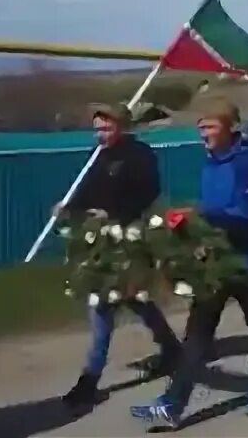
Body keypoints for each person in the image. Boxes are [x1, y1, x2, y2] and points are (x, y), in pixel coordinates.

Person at [131, 99, 248, 429]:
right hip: (214, 263)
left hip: (247, 261)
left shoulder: (247, 162)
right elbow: (210, 210)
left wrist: (199, 214)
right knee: (198, 333)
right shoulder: (211, 162)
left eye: (210, 125)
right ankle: (174, 404)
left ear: (230, 128)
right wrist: (194, 235)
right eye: (200, 125)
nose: (203, 131)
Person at [58, 103, 181, 411]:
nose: (100, 134)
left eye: (106, 128)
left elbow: (149, 191)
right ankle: (171, 349)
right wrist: (69, 207)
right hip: (100, 242)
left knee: (114, 304)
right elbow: (87, 191)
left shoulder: (139, 155)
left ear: (121, 126)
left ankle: (90, 379)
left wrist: (115, 214)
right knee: (125, 302)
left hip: (128, 240)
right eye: (97, 129)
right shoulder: (98, 157)